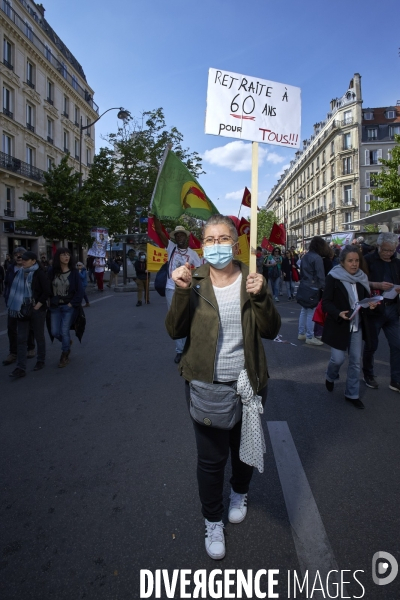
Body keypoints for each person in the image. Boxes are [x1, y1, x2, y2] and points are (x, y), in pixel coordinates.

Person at [165, 214, 281, 560]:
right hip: (206, 385)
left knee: (244, 448)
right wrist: (182, 292)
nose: (217, 245)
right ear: (203, 245)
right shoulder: (194, 279)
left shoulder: (253, 278)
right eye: (210, 240)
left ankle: (240, 491)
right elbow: (174, 330)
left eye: (223, 239)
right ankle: (212, 519)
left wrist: (260, 297)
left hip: (249, 382)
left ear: (235, 242)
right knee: (211, 460)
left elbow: (271, 329)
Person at [322, 245, 377, 409]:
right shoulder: (334, 277)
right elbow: (326, 303)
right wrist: (338, 313)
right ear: (342, 262)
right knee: (338, 359)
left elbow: (364, 300)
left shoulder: (362, 277)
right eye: (350, 261)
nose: (354, 264)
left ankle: (352, 394)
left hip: (357, 325)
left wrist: (371, 304)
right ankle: (331, 375)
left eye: (357, 261)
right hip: (339, 324)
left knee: (355, 362)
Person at [153, 216, 202, 363]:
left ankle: (189, 348)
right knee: (175, 319)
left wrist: (191, 278)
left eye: (182, 235)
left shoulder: (192, 254)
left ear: (187, 238)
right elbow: (161, 233)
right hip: (170, 289)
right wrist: (155, 215)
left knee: (187, 318)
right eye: (177, 235)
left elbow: (199, 270)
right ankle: (180, 351)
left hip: (186, 290)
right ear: (175, 238)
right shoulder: (171, 248)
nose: (180, 237)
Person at [362, 232, 400, 392]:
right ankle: (368, 374)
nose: (388, 253)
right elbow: (360, 281)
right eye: (385, 250)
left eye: (392, 250)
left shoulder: (397, 262)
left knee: (397, 344)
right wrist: (376, 284)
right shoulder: (368, 260)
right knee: (372, 345)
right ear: (379, 246)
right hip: (374, 309)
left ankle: (396, 380)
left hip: (392, 308)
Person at [7, 251, 51, 378]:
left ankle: (40, 360)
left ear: (33, 260)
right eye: (22, 259)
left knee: (38, 336)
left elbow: (47, 291)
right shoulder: (19, 273)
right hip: (21, 309)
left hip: (37, 310)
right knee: (21, 338)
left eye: (26, 260)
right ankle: (20, 367)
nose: (23, 261)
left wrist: (38, 305)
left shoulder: (40, 273)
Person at [48, 248, 83, 368]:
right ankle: (66, 342)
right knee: (55, 332)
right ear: (58, 257)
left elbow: (80, 290)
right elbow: (47, 287)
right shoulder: (52, 271)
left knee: (64, 330)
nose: (66, 257)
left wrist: (72, 303)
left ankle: (65, 354)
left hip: (68, 306)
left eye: (68, 255)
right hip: (55, 306)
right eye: (63, 255)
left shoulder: (74, 272)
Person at [3, 247, 36, 366]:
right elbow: (6, 285)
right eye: (16, 254)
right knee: (11, 329)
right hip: (13, 304)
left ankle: (30, 347)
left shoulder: (30, 270)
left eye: (21, 254)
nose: (18, 256)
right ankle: (13, 352)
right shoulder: (10, 269)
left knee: (29, 327)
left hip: (26, 303)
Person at [297, 236, 329, 345]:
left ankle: (301, 333)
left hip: (304, 285)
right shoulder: (317, 258)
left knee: (304, 310)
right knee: (311, 312)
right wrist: (324, 287)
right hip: (313, 286)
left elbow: (301, 271)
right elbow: (320, 275)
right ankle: (310, 336)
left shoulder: (305, 256)